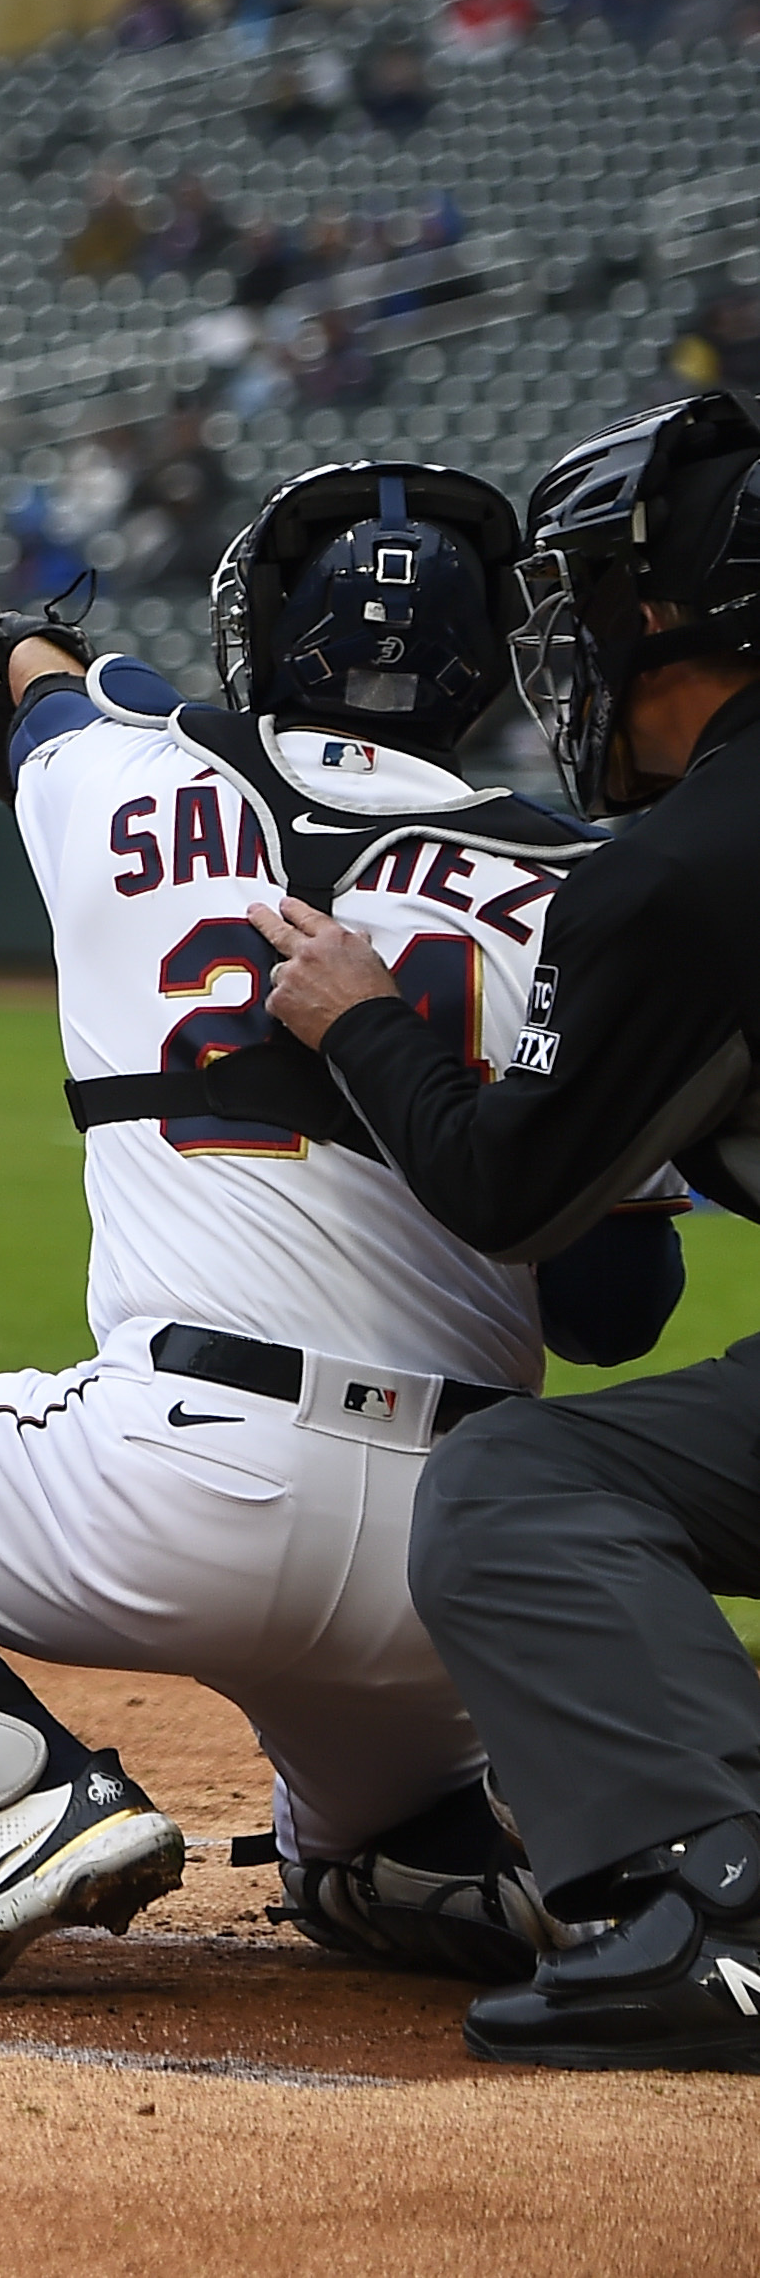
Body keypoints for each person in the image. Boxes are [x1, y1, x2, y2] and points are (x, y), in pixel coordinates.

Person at [0, 461, 688, 1996]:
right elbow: (613, 1307)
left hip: (174, 1482)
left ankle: (19, 1793)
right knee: (354, 1869)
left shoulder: (120, 774)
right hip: (467, 1543)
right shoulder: (588, 887)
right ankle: (597, 1888)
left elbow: (45, 693)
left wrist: (26, 645)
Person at [253, 395, 760, 2071]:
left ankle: (725, 1906)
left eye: (604, 599)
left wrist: (360, 1020)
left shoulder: (684, 867)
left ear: (688, 609)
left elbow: (510, 1197)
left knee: (523, 1491)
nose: (579, 641)